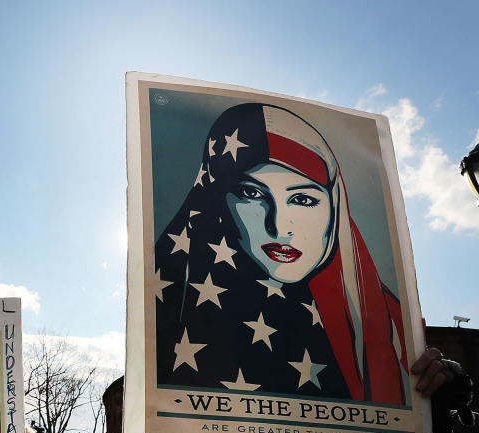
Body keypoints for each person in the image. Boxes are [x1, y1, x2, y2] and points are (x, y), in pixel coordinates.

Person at [154, 102, 408, 402]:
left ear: (335, 206)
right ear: (219, 201)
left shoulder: (388, 324)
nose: (279, 226)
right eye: (252, 194)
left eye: (302, 199)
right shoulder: (176, 310)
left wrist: (442, 397)